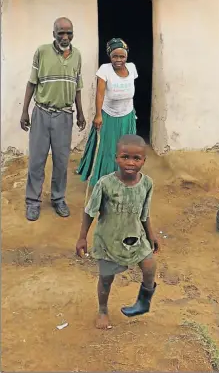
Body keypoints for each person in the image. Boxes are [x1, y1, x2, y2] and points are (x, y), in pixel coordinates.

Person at [76, 134, 159, 330]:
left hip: (136, 237)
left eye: (136, 158)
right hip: (109, 241)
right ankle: (103, 310)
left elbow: (144, 213)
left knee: (149, 267)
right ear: (116, 158)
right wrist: (82, 237)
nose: (130, 162)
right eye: (125, 157)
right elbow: (90, 211)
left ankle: (143, 301)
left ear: (144, 161)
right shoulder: (105, 184)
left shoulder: (147, 184)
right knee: (106, 279)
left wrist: (151, 235)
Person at [20, 17, 86, 222]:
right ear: (54, 34)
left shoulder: (77, 56)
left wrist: (81, 113)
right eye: (61, 33)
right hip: (41, 113)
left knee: (61, 161)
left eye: (69, 33)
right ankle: (32, 202)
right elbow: (32, 83)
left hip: (65, 115)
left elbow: (77, 87)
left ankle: (58, 199)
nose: (65, 37)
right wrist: (24, 112)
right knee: (37, 161)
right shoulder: (42, 52)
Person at [77, 38, 138, 187]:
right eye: (115, 56)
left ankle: (124, 176)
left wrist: (132, 112)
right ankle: (104, 178)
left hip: (127, 115)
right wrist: (98, 115)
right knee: (108, 148)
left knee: (125, 148)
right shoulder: (105, 69)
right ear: (109, 56)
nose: (118, 60)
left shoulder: (132, 68)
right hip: (109, 115)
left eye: (122, 56)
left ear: (127, 56)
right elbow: (100, 94)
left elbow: (131, 90)